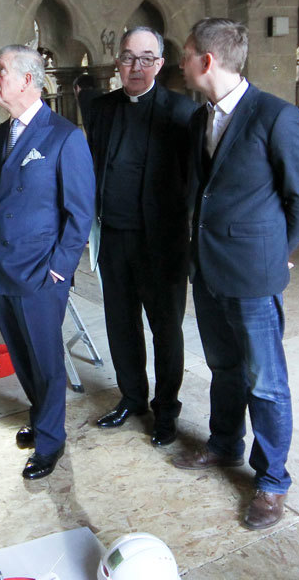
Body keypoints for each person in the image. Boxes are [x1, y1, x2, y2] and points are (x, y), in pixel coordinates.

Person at [173, 17, 299, 530]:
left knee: (266, 380)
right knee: (224, 367)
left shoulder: (275, 116)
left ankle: (272, 480)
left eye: (186, 53)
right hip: (209, 269)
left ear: (207, 61)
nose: (181, 61)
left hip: (254, 274)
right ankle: (223, 444)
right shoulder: (199, 119)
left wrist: (280, 252)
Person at [0, 44, 95, 480]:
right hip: (2, 265)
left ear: (28, 80)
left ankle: (50, 440)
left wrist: (59, 268)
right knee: (22, 354)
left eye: (1, 70)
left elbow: (80, 211)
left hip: (40, 269)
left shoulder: (64, 136)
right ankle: (41, 416)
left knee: (46, 360)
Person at [86, 27, 198, 446]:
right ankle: (132, 397)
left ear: (161, 63)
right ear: (117, 61)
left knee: (166, 329)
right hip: (112, 236)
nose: (136, 67)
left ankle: (166, 411)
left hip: (163, 244)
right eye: (129, 57)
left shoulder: (183, 112)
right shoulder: (100, 109)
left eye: (146, 58)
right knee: (120, 324)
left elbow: (194, 182)